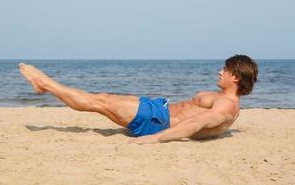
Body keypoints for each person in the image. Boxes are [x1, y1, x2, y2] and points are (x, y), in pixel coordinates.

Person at [19, 54, 258, 144]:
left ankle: (45, 83)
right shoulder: (226, 101)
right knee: (102, 99)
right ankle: (46, 85)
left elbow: (196, 124)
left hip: (156, 120)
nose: (220, 72)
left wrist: (156, 138)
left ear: (235, 77)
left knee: (97, 102)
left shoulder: (226, 105)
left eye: (224, 70)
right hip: (158, 110)